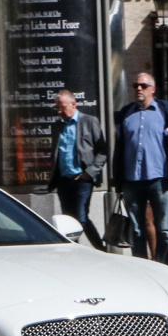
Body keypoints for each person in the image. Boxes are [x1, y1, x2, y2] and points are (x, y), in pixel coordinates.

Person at [112, 72, 168, 263]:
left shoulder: (163, 113)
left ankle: (164, 267)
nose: (138, 89)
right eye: (136, 85)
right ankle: (143, 268)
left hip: (159, 179)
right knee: (137, 230)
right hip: (132, 181)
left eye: (143, 86)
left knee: (164, 229)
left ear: (153, 90)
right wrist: (118, 183)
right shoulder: (126, 114)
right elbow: (119, 150)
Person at [45, 89, 108, 250]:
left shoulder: (89, 121)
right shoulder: (58, 126)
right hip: (64, 180)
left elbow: (102, 151)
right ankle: (75, 252)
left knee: (81, 218)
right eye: (57, 108)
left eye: (62, 107)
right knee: (68, 221)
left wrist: (90, 172)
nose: (59, 111)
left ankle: (100, 249)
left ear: (73, 104)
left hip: (82, 179)